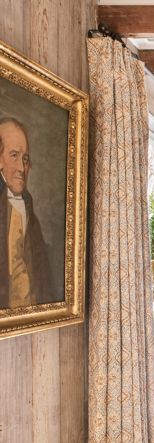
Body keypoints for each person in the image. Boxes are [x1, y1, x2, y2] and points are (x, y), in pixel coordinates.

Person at [0, 116, 55, 308]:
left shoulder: (28, 208)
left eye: (25, 159)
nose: (21, 168)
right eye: (14, 155)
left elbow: (42, 273)